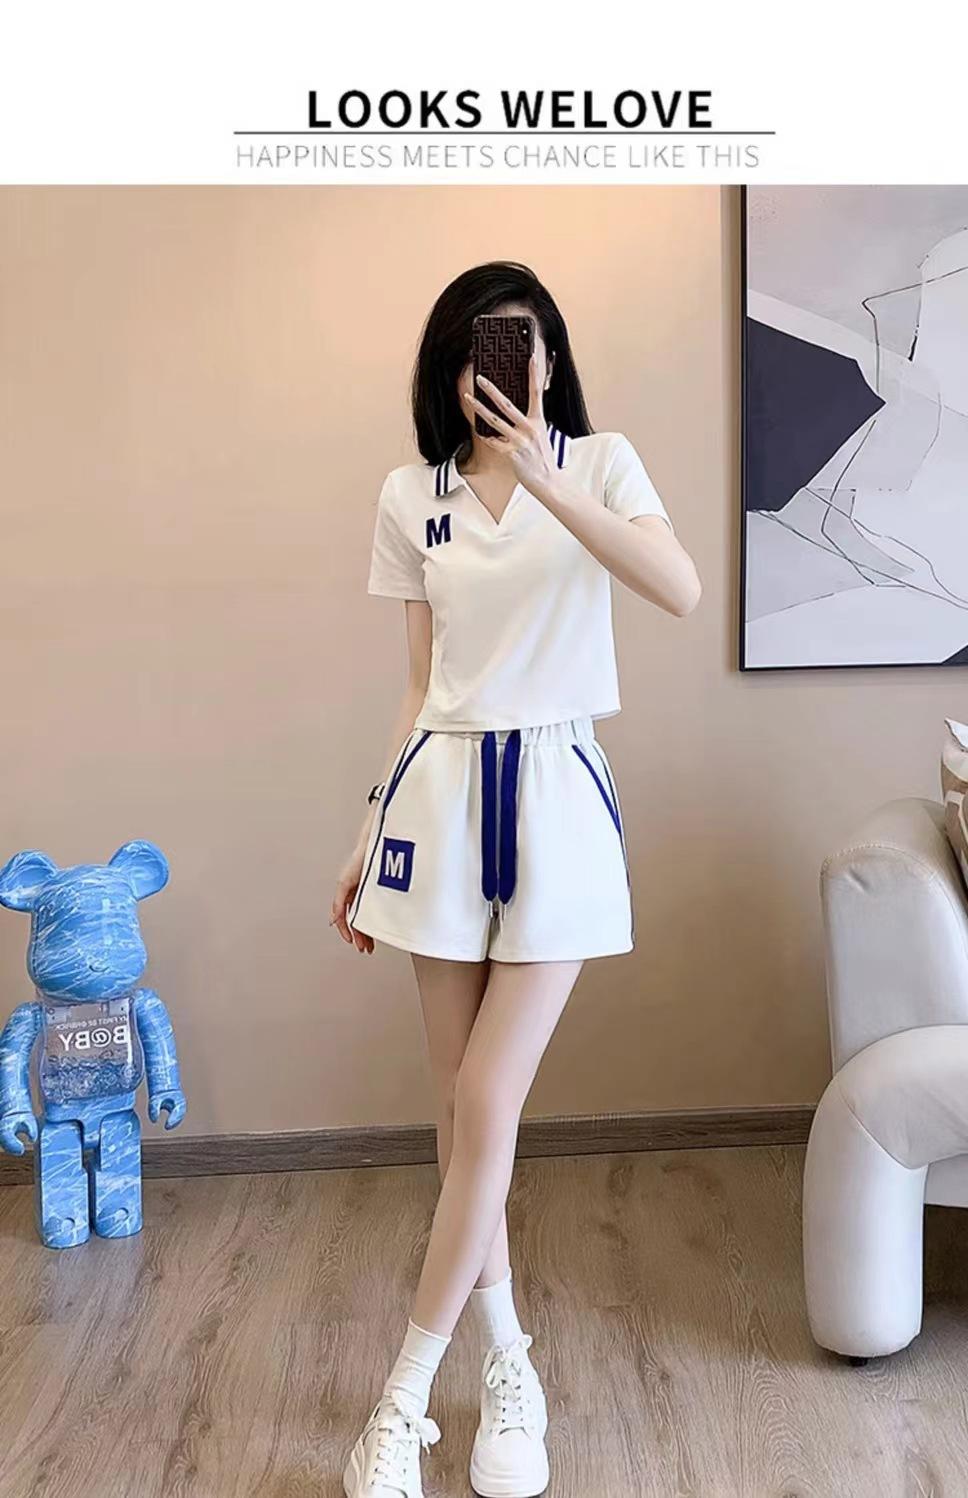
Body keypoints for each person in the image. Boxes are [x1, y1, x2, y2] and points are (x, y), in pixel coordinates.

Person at [332, 261, 701, 1498]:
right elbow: (416, 686)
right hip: (437, 802)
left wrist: (545, 474)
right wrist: (365, 829)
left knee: (487, 1095)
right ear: (449, 368)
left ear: (548, 361)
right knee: (460, 1114)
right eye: (479, 347)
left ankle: (397, 1402)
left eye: (523, 344)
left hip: (556, 800)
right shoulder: (410, 495)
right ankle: (508, 1363)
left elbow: (676, 588)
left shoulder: (600, 465)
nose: (502, 365)